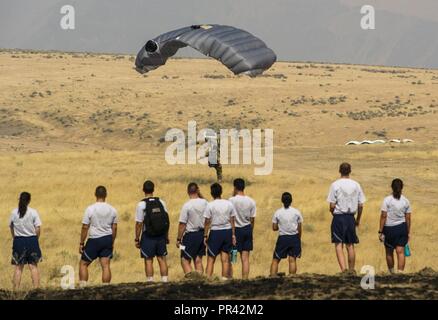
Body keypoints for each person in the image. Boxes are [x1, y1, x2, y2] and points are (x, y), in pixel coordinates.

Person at [327, 162, 366, 273]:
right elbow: (361, 205)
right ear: (350, 171)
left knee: (339, 244)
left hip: (339, 217)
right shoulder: (356, 185)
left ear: (339, 171)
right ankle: (352, 269)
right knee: (350, 245)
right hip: (350, 217)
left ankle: (343, 269)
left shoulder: (335, 185)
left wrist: (333, 213)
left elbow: (332, 205)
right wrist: (358, 219)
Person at [79, 186, 118, 286]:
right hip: (107, 238)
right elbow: (114, 227)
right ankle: (106, 288)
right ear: (106, 195)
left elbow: (85, 226)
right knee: (105, 265)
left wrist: (82, 242)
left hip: (94, 239)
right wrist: (112, 241)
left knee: (83, 264)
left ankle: (83, 287)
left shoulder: (90, 209)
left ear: (95, 194)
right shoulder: (112, 209)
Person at [135, 180, 170, 282]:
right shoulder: (161, 202)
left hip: (148, 236)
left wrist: (137, 239)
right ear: (153, 189)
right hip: (161, 235)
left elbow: (139, 224)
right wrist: (166, 236)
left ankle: (150, 281)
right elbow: (166, 221)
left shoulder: (141, 204)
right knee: (162, 258)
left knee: (148, 260)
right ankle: (165, 280)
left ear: (143, 190)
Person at [9, 192, 42, 290]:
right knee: (33, 266)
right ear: (29, 200)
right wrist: (36, 239)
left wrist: (14, 237)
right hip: (32, 240)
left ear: (19, 200)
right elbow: (38, 228)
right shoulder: (33, 212)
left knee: (18, 267)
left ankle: (16, 291)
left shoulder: (14, 212)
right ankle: (36, 290)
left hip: (19, 241)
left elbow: (11, 227)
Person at [203, 183, 237, 279]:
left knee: (211, 259)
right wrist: (233, 234)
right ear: (221, 192)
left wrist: (205, 235)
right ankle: (224, 280)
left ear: (211, 193)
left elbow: (207, 221)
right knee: (225, 259)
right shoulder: (229, 204)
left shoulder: (210, 205)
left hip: (215, 232)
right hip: (227, 231)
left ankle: (208, 280)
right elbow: (232, 220)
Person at [379, 179, 411, 273]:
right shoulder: (406, 201)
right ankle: (400, 273)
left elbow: (383, 216)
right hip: (401, 228)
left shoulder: (387, 200)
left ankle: (391, 272)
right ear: (402, 188)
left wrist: (380, 231)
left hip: (389, 229)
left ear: (391, 187)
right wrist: (408, 232)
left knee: (389, 252)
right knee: (400, 251)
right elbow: (408, 218)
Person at [177, 183, 208, 275]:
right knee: (198, 260)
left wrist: (179, 239)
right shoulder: (205, 203)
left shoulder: (187, 205)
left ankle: (190, 280)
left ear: (188, 191)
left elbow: (182, 224)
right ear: (197, 190)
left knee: (184, 259)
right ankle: (200, 280)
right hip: (202, 234)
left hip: (190, 236)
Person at [229, 178, 256, 279]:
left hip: (235, 231)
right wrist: (250, 231)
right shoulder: (251, 201)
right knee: (245, 258)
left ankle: (230, 277)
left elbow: (229, 216)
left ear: (235, 187)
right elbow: (252, 219)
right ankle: (245, 279)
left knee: (232, 257)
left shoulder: (231, 200)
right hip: (247, 229)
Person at [270, 192, 303, 276]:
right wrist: (298, 238)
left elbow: (274, 228)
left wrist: (280, 226)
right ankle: (292, 278)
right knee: (292, 259)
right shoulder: (296, 212)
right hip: (294, 237)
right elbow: (299, 227)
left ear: (282, 200)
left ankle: (272, 277)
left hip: (283, 238)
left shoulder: (278, 212)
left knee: (276, 259)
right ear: (291, 200)